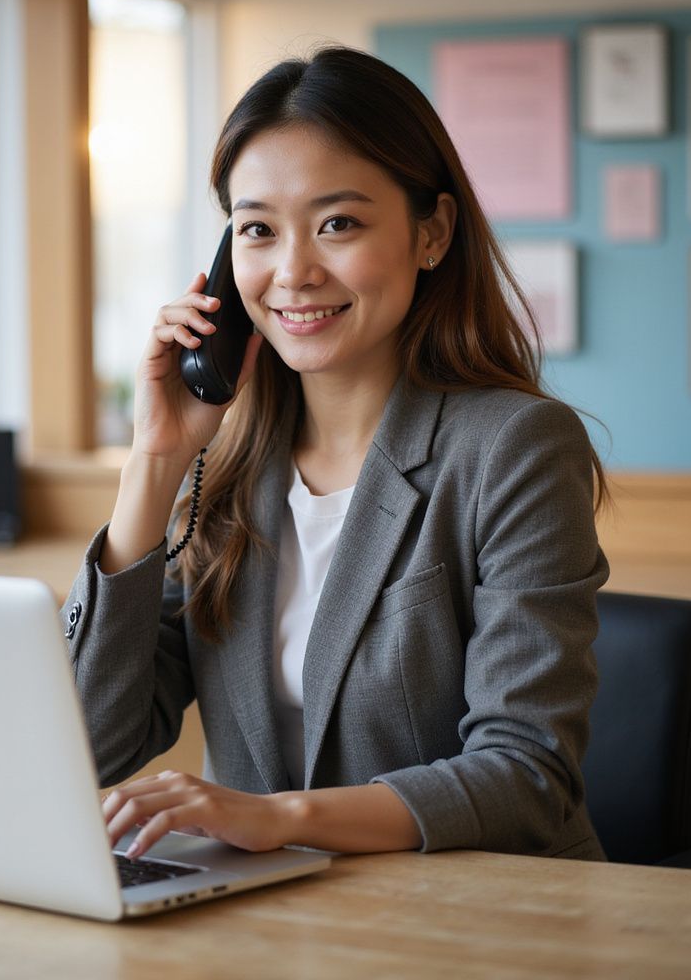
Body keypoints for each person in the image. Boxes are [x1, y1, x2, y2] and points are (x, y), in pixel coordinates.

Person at [61, 46, 610, 863]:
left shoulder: (512, 449)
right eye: (257, 230)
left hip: (472, 920)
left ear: (432, 234)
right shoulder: (231, 466)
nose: (293, 272)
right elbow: (88, 748)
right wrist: (155, 458)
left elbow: (527, 774)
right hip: (267, 925)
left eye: (338, 224)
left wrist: (282, 818)